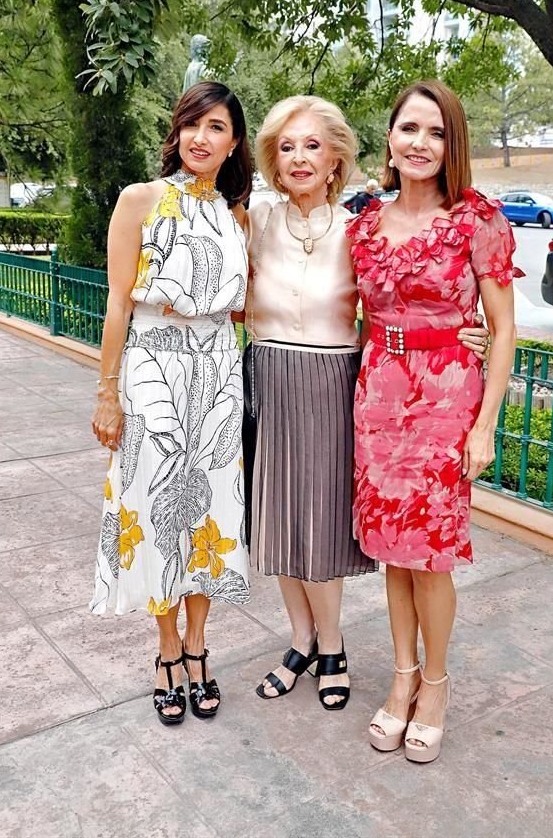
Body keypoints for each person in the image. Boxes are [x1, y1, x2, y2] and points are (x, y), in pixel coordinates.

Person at [237, 95, 490, 712]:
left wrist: (463, 329)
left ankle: (332, 646)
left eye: (313, 146)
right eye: (287, 146)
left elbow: (401, 296)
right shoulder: (254, 220)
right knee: (273, 516)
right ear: (272, 157)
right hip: (265, 374)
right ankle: (299, 640)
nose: (299, 157)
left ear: (336, 159)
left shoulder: (360, 227)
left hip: (334, 379)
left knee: (319, 519)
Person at [347, 79, 520, 762]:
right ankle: (402, 676)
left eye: (436, 132)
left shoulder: (478, 220)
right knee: (393, 548)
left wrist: (485, 424)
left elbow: (503, 329)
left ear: (453, 144)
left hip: (448, 398)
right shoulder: (364, 223)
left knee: (431, 553)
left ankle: (437, 683)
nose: (421, 143)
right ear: (389, 137)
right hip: (378, 394)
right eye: (409, 129)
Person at [90, 81, 252, 727]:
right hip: (152, 365)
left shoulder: (237, 214)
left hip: (218, 371)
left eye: (215, 126)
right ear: (175, 132)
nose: (200, 137)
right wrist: (107, 391)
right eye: (191, 124)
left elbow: (246, 304)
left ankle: (198, 644)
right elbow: (117, 303)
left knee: (208, 513)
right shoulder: (140, 200)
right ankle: (165, 650)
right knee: (156, 511)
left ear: (234, 141)